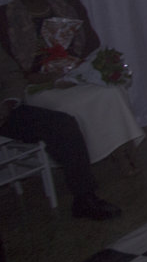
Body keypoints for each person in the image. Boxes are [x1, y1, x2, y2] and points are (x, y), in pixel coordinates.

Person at [1, 0, 144, 175]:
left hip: (74, 75)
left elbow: (91, 45)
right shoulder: (4, 18)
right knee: (73, 106)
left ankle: (120, 151)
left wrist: (76, 69)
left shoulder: (70, 6)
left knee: (112, 92)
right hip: (32, 84)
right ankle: (85, 159)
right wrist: (35, 77)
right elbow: (6, 68)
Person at [1, 45, 122, 219]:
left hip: (4, 111)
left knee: (63, 124)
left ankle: (84, 198)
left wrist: (8, 103)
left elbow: (11, 75)